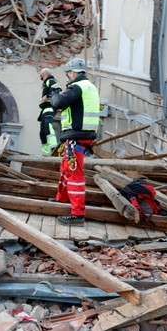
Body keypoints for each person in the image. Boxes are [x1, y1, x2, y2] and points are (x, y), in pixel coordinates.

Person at [50, 57, 100, 225]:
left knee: (75, 174)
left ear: (72, 73)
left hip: (76, 137)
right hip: (83, 136)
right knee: (66, 168)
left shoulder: (77, 87)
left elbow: (57, 102)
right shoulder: (90, 87)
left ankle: (77, 213)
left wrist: (55, 90)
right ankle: (61, 199)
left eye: (67, 75)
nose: (67, 79)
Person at [37, 67, 60, 156]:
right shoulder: (47, 82)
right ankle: (46, 153)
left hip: (49, 108)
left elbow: (57, 90)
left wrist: (47, 95)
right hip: (44, 110)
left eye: (41, 75)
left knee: (47, 126)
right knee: (42, 132)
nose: (40, 76)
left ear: (44, 74)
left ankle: (53, 146)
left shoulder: (51, 80)